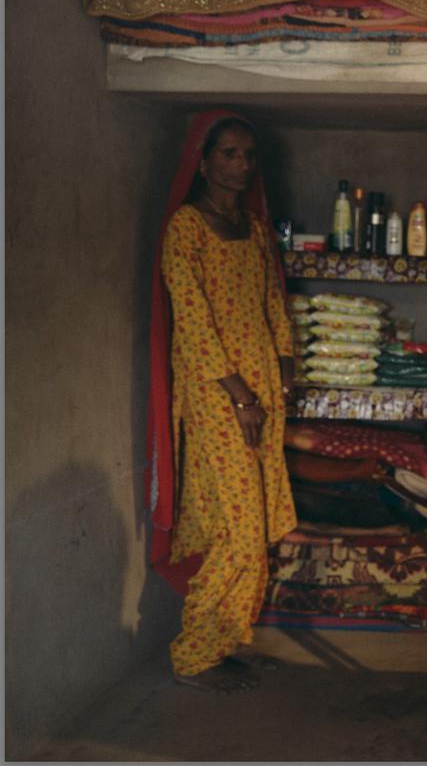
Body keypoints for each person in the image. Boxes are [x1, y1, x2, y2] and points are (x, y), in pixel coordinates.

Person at [145, 110, 297, 692]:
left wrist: (283, 369)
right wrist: (240, 399)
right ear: (203, 162)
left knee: (247, 526)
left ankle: (222, 642)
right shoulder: (187, 227)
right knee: (239, 530)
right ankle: (192, 653)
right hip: (218, 395)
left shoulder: (255, 229)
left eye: (248, 155)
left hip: (261, 390)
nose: (242, 164)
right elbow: (194, 322)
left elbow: (271, 303)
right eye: (229, 154)